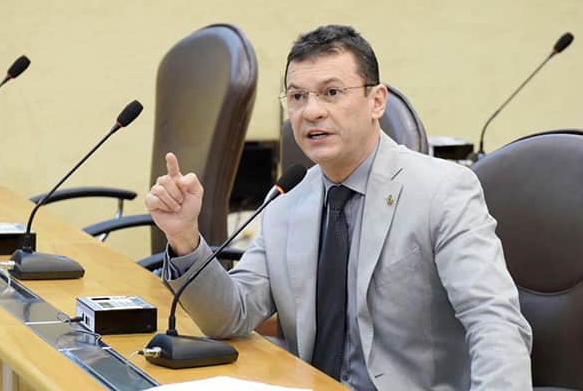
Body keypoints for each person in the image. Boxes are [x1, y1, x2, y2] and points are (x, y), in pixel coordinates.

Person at [145, 25, 532, 390]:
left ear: (376, 101)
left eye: (331, 92)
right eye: (297, 97)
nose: (311, 111)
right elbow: (232, 314)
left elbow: (494, 321)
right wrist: (185, 237)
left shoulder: (442, 190)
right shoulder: (285, 202)